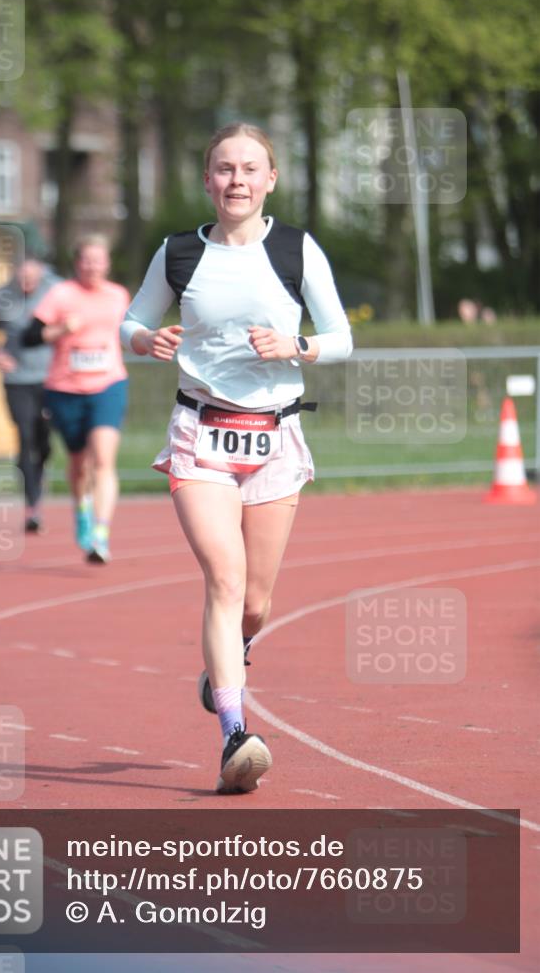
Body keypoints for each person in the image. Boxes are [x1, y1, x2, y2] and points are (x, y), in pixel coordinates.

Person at [120, 122, 353, 794]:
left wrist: (296, 348)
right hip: (201, 435)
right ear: (206, 179)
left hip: (275, 437)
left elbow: (339, 336)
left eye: (250, 169)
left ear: (270, 179)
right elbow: (130, 320)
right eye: (224, 169)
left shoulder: (294, 250)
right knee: (223, 580)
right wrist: (144, 342)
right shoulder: (177, 255)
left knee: (254, 600)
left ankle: (234, 654)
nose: (237, 180)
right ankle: (233, 732)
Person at [23, 235, 130, 563]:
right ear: (77, 263)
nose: (93, 266)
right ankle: (82, 508)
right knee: (79, 463)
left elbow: (129, 331)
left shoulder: (118, 295)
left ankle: (100, 534)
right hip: (65, 389)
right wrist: (60, 330)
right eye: (87, 260)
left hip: (108, 384)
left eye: (99, 260)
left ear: (107, 264)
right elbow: (29, 337)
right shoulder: (61, 294)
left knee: (103, 459)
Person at [0, 256, 60, 533]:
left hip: (52, 378)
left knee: (44, 440)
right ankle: (32, 506)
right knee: (25, 436)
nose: (26, 282)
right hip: (16, 379)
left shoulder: (57, 290)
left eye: (31, 277)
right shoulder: (2, 295)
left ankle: (42, 474)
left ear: (41, 271)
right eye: (21, 277)